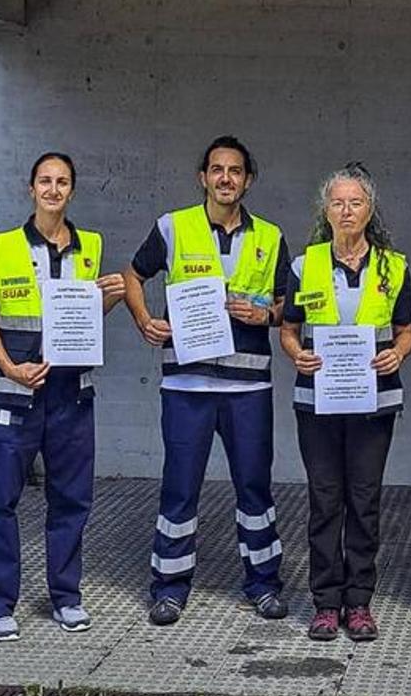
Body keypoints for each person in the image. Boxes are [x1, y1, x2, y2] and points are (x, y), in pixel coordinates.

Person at [123, 135, 289, 627]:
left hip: (248, 389)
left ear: (248, 180)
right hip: (187, 387)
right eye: (216, 169)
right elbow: (133, 275)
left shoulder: (272, 237)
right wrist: (143, 319)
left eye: (235, 171)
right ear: (203, 177)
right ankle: (169, 589)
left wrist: (265, 315)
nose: (225, 178)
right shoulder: (173, 227)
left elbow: (287, 308)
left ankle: (263, 584)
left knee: (255, 491)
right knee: (179, 491)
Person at [0, 152, 126, 640]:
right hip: (14, 393)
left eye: (62, 182)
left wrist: (110, 299)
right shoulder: (3, 247)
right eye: (45, 180)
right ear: (31, 188)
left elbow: (81, 324)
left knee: (72, 501)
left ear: (72, 191)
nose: (53, 189)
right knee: (1, 501)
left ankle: (66, 597)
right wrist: (9, 368)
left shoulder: (90, 248)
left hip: (70, 396)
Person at [280, 163, 411, 642]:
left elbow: (405, 330)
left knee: (364, 501)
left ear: (369, 209)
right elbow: (289, 328)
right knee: (324, 500)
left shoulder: (393, 266)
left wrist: (397, 353)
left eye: (355, 202)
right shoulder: (304, 264)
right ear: (326, 210)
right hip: (316, 401)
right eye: (337, 202)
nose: (346, 210)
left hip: (374, 403)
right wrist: (297, 355)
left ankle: (358, 603)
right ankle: (325, 603)